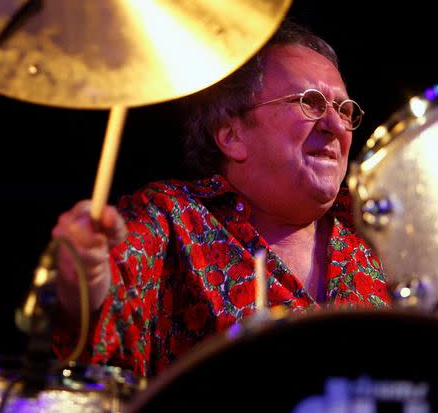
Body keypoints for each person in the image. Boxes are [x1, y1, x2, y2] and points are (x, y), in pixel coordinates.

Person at [50, 19, 390, 379]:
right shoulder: (172, 217)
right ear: (232, 134)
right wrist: (83, 276)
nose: (335, 125)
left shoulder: (379, 229)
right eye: (310, 102)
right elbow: (95, 326)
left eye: (344, 109)